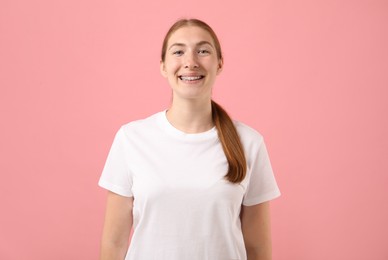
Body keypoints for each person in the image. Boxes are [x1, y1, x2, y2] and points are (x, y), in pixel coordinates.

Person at [99, 18, 281, 260]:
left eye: (203, 51)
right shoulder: (131, 139)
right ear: (163, 66)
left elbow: (257, 248)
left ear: (219, 64)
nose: (190, 62)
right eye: (178, 51)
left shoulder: (249, 143)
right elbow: (114, 243)